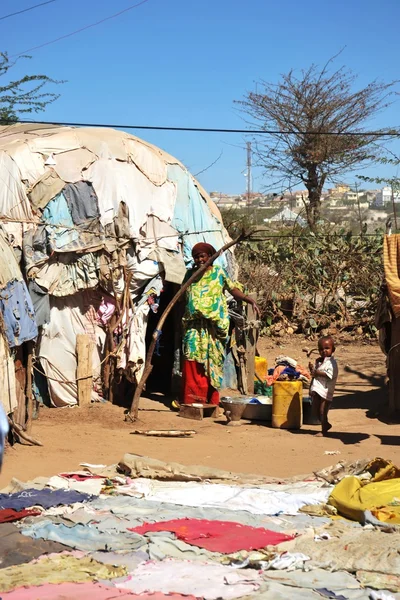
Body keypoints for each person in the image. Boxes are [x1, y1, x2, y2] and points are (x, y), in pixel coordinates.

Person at [180, 242, 260, 406]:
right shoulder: (190, 275)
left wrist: (247, 299)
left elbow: (233, 289)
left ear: (210, 257)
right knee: (191, 358)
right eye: (196, 257)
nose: (200, 259)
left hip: (214, 328)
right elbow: (182, 295)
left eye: (203, 256)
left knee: (213, 361)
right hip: (194, 326)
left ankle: (210, 400)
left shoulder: (218, 273)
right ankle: (192, 400)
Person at [309, 335, 338, 436]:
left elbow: (329, 375)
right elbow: (314, 375)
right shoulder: (319, 361)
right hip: (317, 389)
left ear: (333, 350)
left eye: (327, 348)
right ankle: (325, 424)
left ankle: (323, 429)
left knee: (322, 410)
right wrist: (311, 387)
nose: (324, 351)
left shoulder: (332, 363)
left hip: (326, 390)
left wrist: (316, 372)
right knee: (315, 409)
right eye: (321, 349)